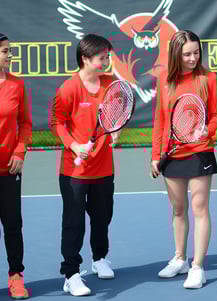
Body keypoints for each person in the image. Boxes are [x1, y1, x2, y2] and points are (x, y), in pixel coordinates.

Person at [151, 30, 217, 289]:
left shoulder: (208, 78)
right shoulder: (164, 80)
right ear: (175, 55)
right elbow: (159, 119)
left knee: (199, 208)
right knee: (178, 209)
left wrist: (208, 130)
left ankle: (197, 266)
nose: (193, 58)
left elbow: (215, 116)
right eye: (187, 54)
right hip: (172, 153)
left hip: (200, 150)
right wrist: (155, 156)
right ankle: (179, 258)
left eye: (196, 52)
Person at [51, 34, 120, 296]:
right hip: (74, 171)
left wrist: (116, 131)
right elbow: (58, 122)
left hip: (104, 167)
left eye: (107, 57)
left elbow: (116, 113)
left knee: (103, 217)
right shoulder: (69, 88)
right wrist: (75, 145)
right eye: (102, 57)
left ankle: (100, 258)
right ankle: (71, 274)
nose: (106, 61)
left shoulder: (111, 83)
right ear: (86, 59)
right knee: (74, 223)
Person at [0, 33, 32, 299]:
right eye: (5, 51)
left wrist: (20, 150)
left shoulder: (17, 85)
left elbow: (25, 123)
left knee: (13, 225)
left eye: (9, 51)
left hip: (9, 171)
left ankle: (16, 277)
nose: (9, 56)